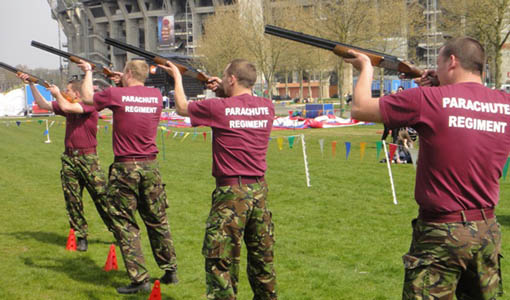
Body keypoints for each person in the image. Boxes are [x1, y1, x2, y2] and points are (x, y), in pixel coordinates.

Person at [345, 37, 509, 299]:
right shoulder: (504, 103)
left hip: (440, 232)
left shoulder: (428, 99)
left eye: (439, 63)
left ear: (452, 62)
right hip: (487, 229)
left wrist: (366, 67)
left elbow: (360, 108)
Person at [159, 59, 278, 300]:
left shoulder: (218, 108)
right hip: (259, 191)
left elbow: (182, 107)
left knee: (220, 261)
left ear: (232, 79)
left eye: (225, 77)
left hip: (231, 193)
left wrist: (177, 77)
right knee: (262, 261)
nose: (222, 80)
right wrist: (223, 90)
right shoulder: (267, 106)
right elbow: (240, 105)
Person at [78, 59, 178, 294]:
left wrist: (89, 72)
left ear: (129, 73)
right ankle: (170, 269)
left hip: (125, 168)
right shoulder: (154, 95)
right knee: (157, 219)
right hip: (151, 167)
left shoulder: (116, 95)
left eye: (124, 71)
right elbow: (133, 100)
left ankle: (140, 278)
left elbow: (86, 99)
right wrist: (122, 84)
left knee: (125, 223)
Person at [17, 73, 112, 252]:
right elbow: (44, 105)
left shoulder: (89, 106)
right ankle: (81, 235)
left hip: (88, 158)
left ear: (76, 93)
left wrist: (57, 94)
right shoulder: (65, 104)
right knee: (72, 200)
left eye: (68, 90)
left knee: (102, 197)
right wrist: (31, 85)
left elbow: (68, 107)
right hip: (69, 158)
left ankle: (117, 230)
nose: (64, 92)